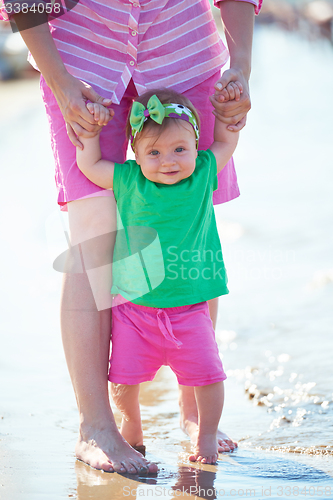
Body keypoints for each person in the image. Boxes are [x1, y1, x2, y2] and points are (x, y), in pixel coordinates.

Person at [2, 0, 262, 473]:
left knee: (192, 227)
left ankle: (194, 410)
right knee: (91, 241)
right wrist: (60, 82)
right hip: (81, 68)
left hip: (187, 59)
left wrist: (240, 65)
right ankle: (97, 426)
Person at [76, 87, 241, 464]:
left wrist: (229, 110)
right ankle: (131, 427)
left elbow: (227, 140)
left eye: (179, 149)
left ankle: (206, 436)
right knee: (123, 379)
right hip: (135, 311)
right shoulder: (130, 179)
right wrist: (88, 138)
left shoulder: (202, 173)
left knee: (208, 377)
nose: (168, 161)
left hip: (191, 310)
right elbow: (90, 167)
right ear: (136, 154)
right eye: (154, 152)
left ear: (196, 147)